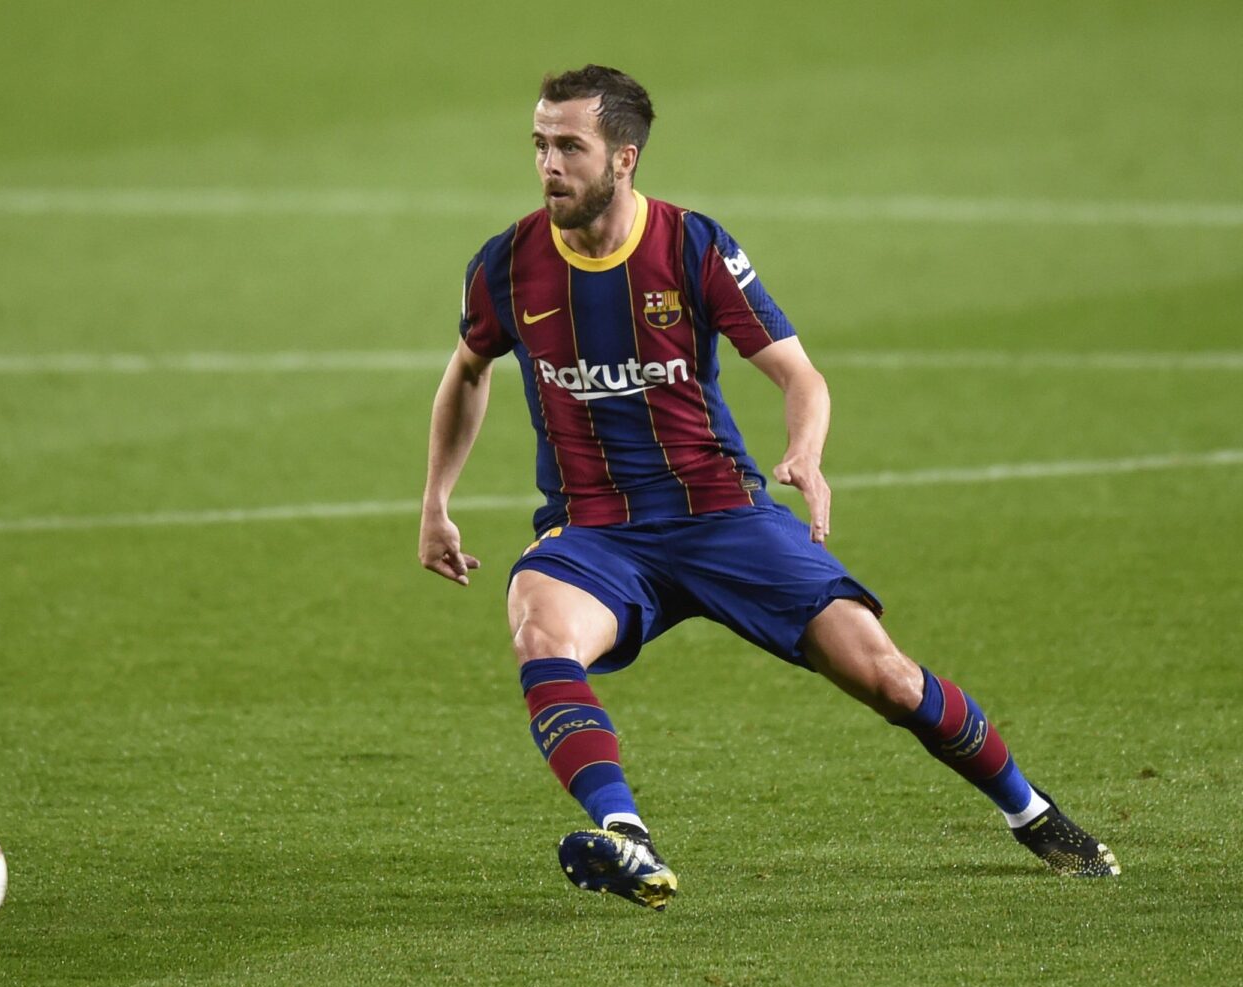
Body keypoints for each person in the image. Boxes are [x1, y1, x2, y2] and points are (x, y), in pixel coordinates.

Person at [418, 65, 1118, 910]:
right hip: (595, 530)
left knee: (888, 677)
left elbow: (799, 376)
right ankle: (628, 838)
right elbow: (468, 370)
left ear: (625, 158)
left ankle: (1030, 812)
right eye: (539, 144)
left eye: (571, 146)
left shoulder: (692, 247)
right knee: (540, 632)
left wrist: (805, 454)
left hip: (721, 514)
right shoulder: (506, 264)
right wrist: (436, 503)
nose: (549, 164)